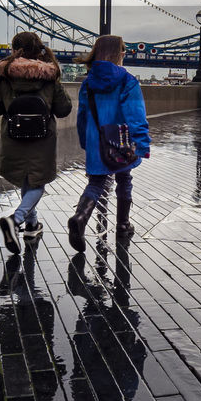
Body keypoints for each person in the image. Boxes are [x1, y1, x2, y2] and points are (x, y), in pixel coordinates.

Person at [0, 32, 73, 253]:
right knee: (36, 182)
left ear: (14, 48)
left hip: (13, 136)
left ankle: (32, 225)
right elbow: (64, 109)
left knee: (27, 178)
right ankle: (15, 221)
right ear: (39, 49)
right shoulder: (49, 76)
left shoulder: (5, 75)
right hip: (42, 139)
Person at [67, 36, 150, 252]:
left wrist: (86, 142)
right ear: (118, 53)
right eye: (123, 51)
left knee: (96, 183)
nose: (124, 54)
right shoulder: (128, 80)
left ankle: (80, 217)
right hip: (122, 140)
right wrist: (141, 143)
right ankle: (123, 225)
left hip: (97, 140)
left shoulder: (88, 82)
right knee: (124, 179)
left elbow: (82, 115)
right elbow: (136, 115)